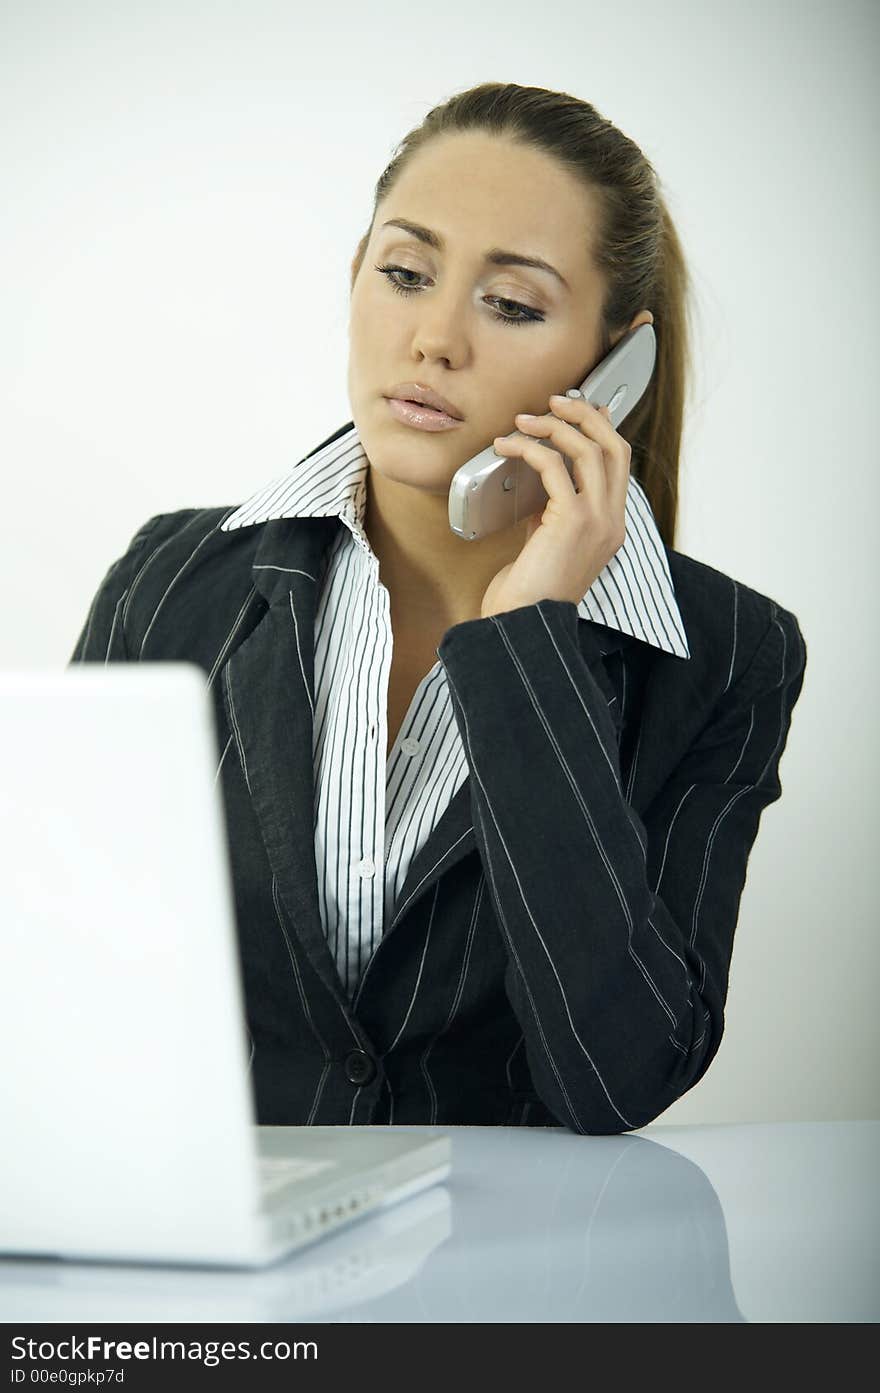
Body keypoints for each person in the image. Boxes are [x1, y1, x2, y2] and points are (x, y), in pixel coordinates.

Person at [69, 82, 807, 1133]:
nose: (434, 340)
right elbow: (64, 976)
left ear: (614, 369)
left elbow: (620, 1079)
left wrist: (525, 646)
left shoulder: (726, 655)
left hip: (511, 1282)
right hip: (214, 1267)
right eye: (406, 275)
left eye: (510, 305)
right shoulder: (172, 577)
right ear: (356, 275)